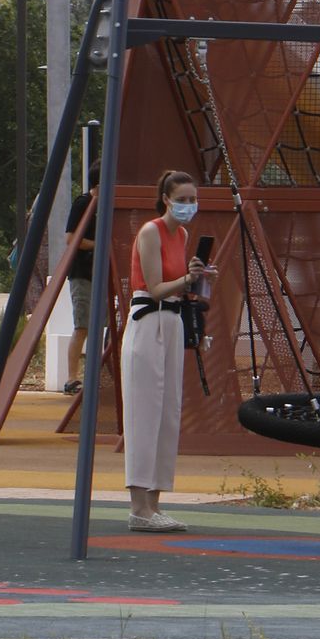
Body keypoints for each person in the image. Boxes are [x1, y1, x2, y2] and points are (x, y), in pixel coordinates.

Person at [121, 170, 207, 531]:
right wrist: (187, 279)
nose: (188, 205)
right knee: (144, 412)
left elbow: (175, 286)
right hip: (148, 320)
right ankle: (138, 507)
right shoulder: (150, 231)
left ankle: (154, 504)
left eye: (193, 199)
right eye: (182, 199)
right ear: (166, 199)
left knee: (168, 411)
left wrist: (196, 279)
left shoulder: (181, 234)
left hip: (172, 321)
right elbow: (155, 287)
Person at [64, 171, 98, 394]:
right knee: (82, 326)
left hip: (102, 274)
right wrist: (99, 244)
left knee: (102, 327)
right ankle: (72, 379)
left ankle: (96, 376)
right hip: (83, 273)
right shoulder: (84, 203)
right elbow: (70, 238)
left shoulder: (110, 205)